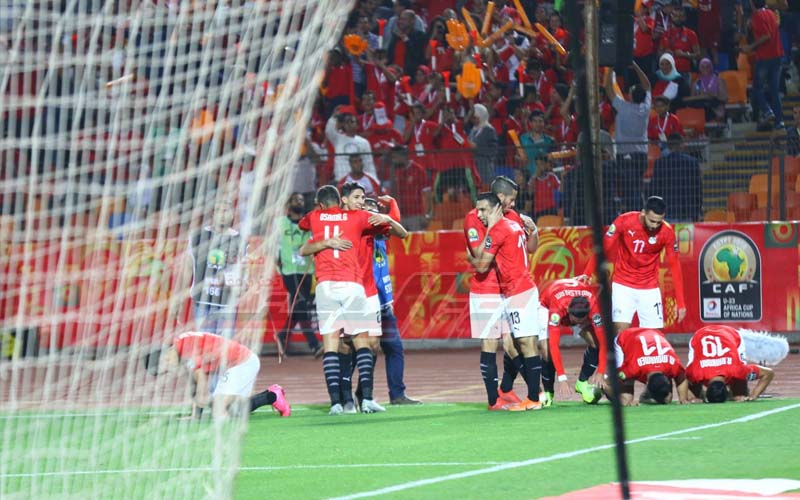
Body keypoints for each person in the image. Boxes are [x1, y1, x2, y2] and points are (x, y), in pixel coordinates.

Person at [297, 185, 391, 415]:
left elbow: (302, 227)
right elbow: (384, 223)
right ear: (341, 201)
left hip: (325, 287)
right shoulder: (356, 217)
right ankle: (366, 399)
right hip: (352, 285)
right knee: (362, 342)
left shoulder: (314, 217)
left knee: (330, 345)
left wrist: (325, 241)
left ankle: (336, 404)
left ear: (320, 204)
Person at [462, 177, 538, 411]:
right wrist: (476, 253)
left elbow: (528, 247)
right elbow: (479, 259)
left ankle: (526, 393)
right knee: (491, 342)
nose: (514, 204)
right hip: (486, 288)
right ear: (501, 198)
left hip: (509, 289)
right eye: (511, 199)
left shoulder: (511, 217)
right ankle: (494, 400)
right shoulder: (473, 218)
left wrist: (534, 230)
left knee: (515, 343)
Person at [336, 182, 408, 413]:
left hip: (373, 295)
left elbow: (401, 232)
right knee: (347, 346)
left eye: (363, 199)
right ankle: (345, 398)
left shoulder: (372, 227)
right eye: (357, 198)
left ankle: (366, 394)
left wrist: (387, 216)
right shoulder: (342, 222)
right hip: (348, 291)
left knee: (376, 345)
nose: (362, 203)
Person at [582, 196, 687, 332]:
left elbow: (674, 265)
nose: (654, 226)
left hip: (649, 287)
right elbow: (603, 248)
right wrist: (587, 273)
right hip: (623, 285)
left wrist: (681, 303)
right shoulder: (624, 221)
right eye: (652, 221)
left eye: (658, 222)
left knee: (654, 336)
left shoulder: (667, 232)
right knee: (620, 333)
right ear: (643, 213)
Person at [144, 331, 291, 420]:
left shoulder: (186, 349)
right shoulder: (181, 346)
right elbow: (195, 381)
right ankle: (272, 395)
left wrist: (199, 408)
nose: (170, 370)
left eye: (166, 368)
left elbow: (201, 381)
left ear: (165, 357)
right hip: (234, 366)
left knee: (219, 412)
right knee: (232, 410)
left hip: (242, 363)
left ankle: (273, 395)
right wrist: (197, 414)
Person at [365, 196, 420, 405]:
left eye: (375, 211)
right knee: (363, 351)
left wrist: (393, 205)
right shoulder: (360, 233)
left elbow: (400, 229)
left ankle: (397, 394)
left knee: (393, 348)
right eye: (368, 210)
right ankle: (355, 396)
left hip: (384, 303)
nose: (373, 215)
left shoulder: (381, 231)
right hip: (366, 301)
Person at [539, 279, 608, 404]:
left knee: (596, 343)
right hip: (546, 305)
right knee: (546, 351)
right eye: (574, 321)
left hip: (577, 305)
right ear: (568, 311)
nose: (574, 324)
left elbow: (604, 343)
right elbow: (554, 346)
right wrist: (562, 378)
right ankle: (548, 392)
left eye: (579, 322)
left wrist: (601, 372)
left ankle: (582, 382)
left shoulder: (593, 307)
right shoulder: (557, 308)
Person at [184, 198, 244, 339]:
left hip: (227, 303)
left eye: (225, 210)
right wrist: (182, 293)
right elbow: (188, 266)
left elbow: (243, 269)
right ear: (213, 214)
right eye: (218, 210)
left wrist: (240, 286)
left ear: (232, 214)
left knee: (225, 346)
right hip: (203, 302)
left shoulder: (240, 240)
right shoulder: (198, 237)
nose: (222, 214)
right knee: (205, 344)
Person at [275, 193, 322, 358]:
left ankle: (282, 336)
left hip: (307, 270)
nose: (299, 202)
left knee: (298, 307)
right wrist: (276, 260)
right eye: (295, 199)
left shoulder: (310, 222)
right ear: (289, 204)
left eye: (301, 199)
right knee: (301, 303)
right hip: (290, 269)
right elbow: (274, 243)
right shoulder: (281, 222)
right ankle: (314, 345)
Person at [685, 325, 775, 403]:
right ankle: (698, 394)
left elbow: (769, 373)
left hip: (731, 334)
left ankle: (737, 393)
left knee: (740, 392)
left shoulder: (738, 370)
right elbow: (769, 373)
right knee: (693, 388)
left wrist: (752, 396)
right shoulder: (697, 373)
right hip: (700, 335)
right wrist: (693, 397)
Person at [606, 61, 651, 213]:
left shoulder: (623, 107)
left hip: (624, 154)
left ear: (631, 96)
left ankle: (635, 214)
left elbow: (608, 89)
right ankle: (638, 212)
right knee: (635, 186)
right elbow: (647, 85)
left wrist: (610, 68)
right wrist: (636, 66)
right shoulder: (645, 108)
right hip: (641, 155)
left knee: (629, 189)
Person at [606, 327, 690, 406]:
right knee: (626, 400)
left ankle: (645, 397)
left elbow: (682, 377)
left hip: (653, 334)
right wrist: (605, 386)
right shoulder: (631, 369)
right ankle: (645, 396)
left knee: (666, 399)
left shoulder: (672, 364)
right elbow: (608, 382)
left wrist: (683, 399)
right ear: (646, 383)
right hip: (626, 337)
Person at [743, 0, 785, 128]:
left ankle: (767, 111)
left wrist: (750, 47)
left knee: (757, 88)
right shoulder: (771, 13)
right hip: (777, 55)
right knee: (774, 90)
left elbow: (766, 36)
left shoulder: (756, 16)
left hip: (765, 57)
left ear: (752, 4)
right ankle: (779, 121)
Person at [648, 134, 702, 222]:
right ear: (682, 145)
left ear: (668, 146)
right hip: (687, 211)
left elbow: (654, 189)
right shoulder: (692, 162)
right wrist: (697, 210)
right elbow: (697, 188)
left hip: (667, 211)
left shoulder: (661, 163)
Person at [326, 106, 378, 182]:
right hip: (341, 179)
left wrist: (374, 180)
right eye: (346, 122)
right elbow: (329, 131)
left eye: (352, 122)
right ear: (344, 125)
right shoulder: (337, 139)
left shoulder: (364, 142)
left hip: (359, 181)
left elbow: (368, 163)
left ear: (357, 125)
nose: (349, 124)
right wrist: (334, 117)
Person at [684, 58, 728, 122]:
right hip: (701, 108)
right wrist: (703, 96)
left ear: (711, 67)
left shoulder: (719, 81)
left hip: (715, 108)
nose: (705, 69)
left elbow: (724, 98)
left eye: (707, 67)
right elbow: (693, 98)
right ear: (699, 69)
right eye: (703, 67)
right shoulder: (697, 82)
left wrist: (711, 95)